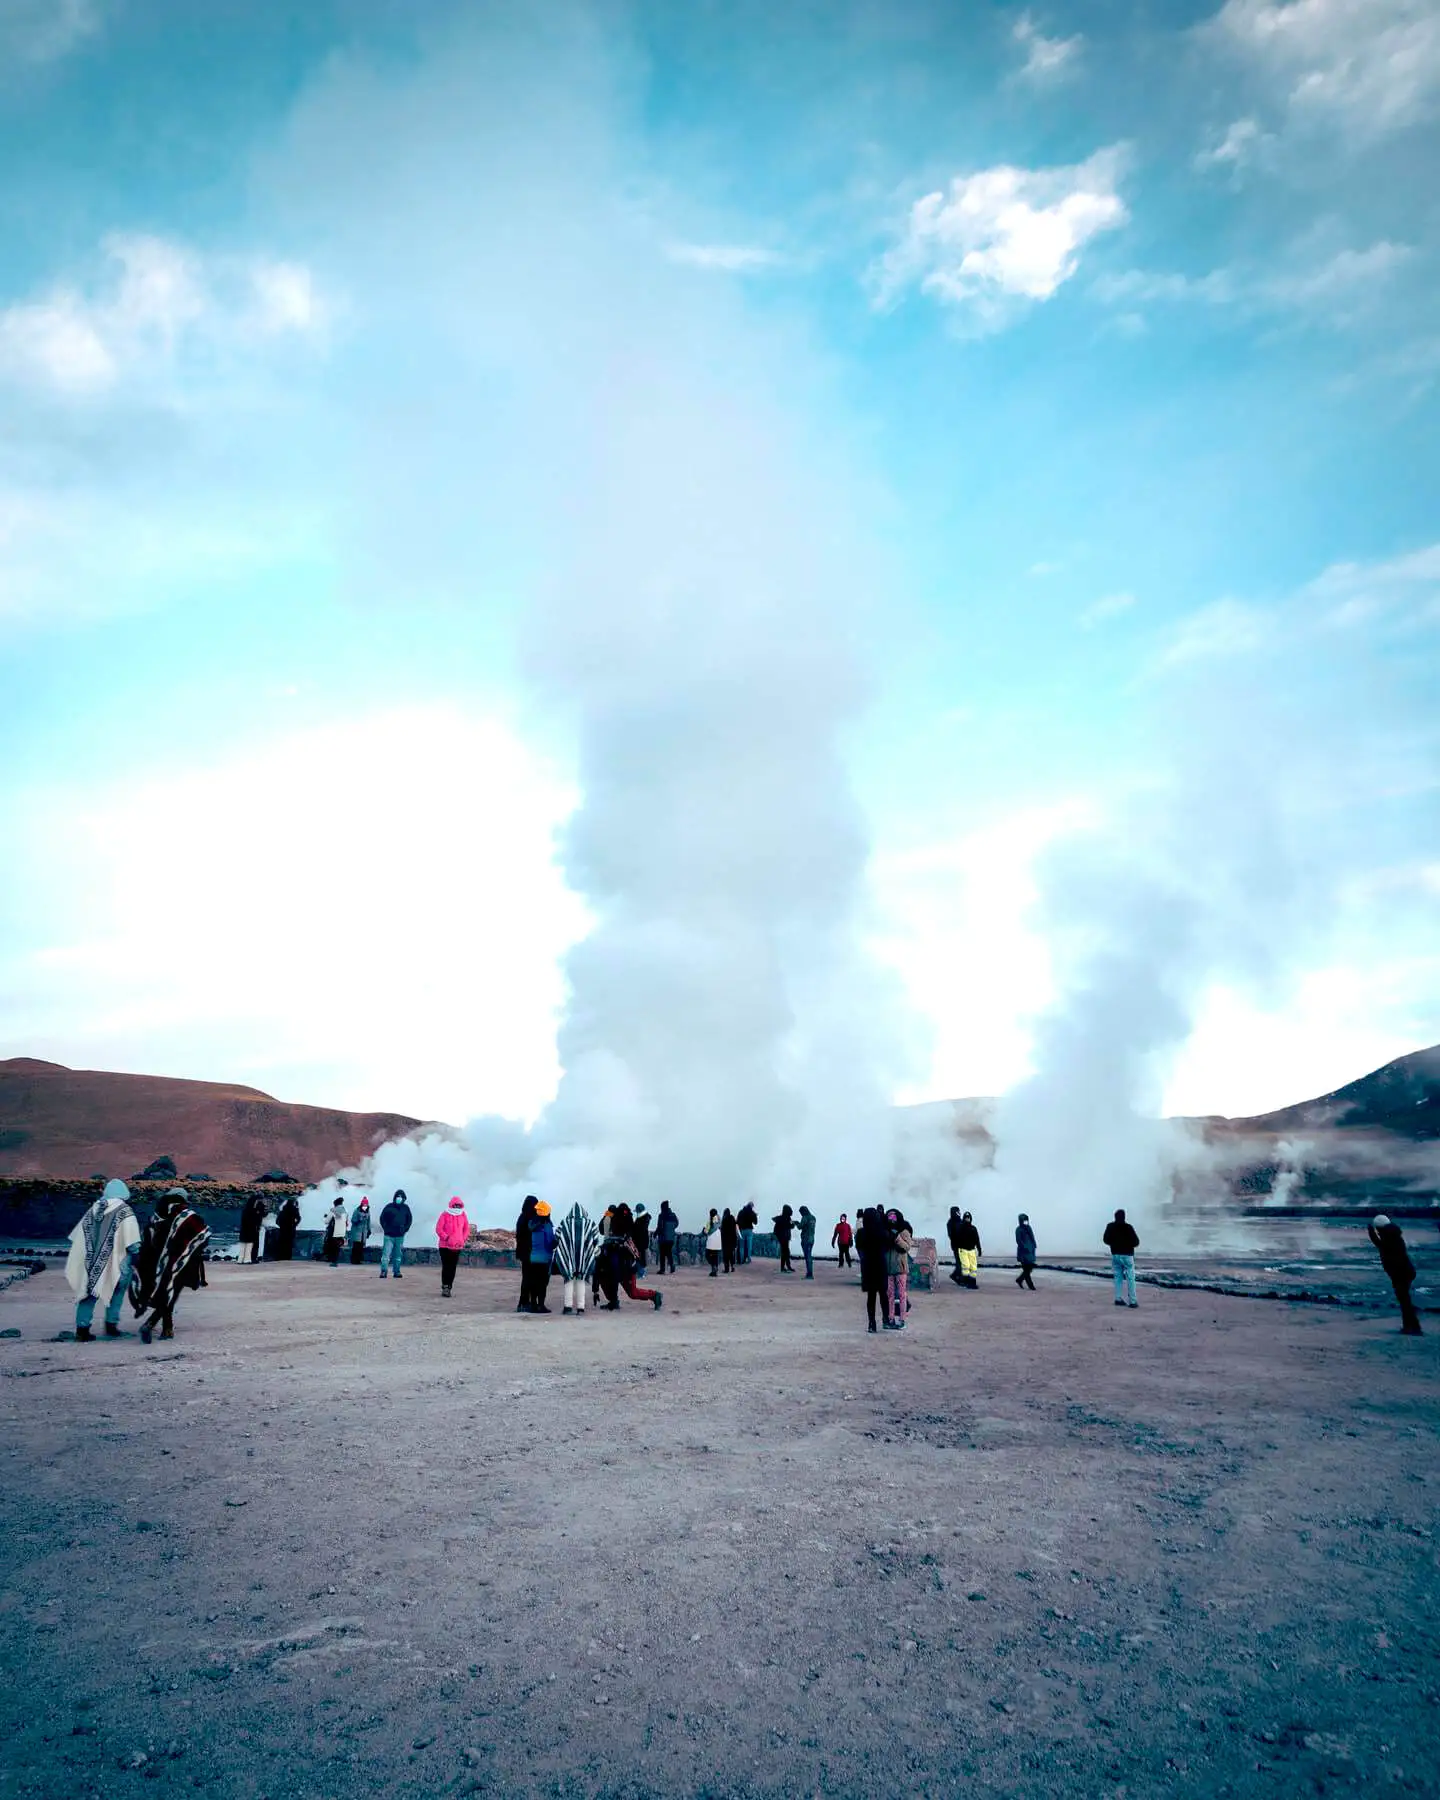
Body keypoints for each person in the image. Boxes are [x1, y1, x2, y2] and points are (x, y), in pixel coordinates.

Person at [130, 1187, 210, 1344]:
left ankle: (166, 1328)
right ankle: (155, 1325)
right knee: (170, 1295)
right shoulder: (187, 1216)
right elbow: (203, 1235)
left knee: (165, 1293)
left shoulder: (157, 1215)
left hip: (156, 1263)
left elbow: (148, 1238)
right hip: (181, 1263)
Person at [66, 1178, 141, 1341]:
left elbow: (80, 1237)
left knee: (88, 1294)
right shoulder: (125, 1211)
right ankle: (111, 1326)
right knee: (117, 1293)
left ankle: (82, 1329)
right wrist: (138, 1257)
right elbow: (133, 1241)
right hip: (118, 1262)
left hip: (92, 1263)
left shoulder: (93, 1209)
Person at [596, 1204, 663, 1311]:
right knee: (608, 1280)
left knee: (632, 1292)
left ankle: (654, 1295)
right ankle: (614, 1301)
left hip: (626, 1267)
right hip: (623, 1266)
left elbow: (601, 1230)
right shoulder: (616, 1242)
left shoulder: (627, 1241)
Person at [1368, 1215, 1423, 1335]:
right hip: (1402, 1273)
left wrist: (1372, 1233)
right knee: (1405, 1301)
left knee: (1405, 1302)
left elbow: (1384, 1248)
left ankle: (1413, 1327)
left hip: (1401, 1274)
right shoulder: (1392, 1236)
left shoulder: (1390, 1239)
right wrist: (1372, 1233)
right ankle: (1411, 1326)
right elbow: (1381, 1245)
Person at [554, 1203, 600, 1315]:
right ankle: (580, 1308)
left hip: (568, 1257)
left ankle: (567, 1307)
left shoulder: (564, 1223)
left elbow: (557, 1237)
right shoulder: (590, 1223)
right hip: (584, 1257)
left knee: (568, 1280)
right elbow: (596, 1239)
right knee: (581, 1280)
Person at [856, 1206, 889, 1334]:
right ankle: (886, 1319)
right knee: (883, 1294)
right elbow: (887, 1245)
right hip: (880, 1264)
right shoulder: (882, 1232)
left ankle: (871, 1323)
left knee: (871, 1296)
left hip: (868, 1265)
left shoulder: (861, 1233)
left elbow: (859, 1247)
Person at [1103, 1208, 1140, 1308]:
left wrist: (1114, 1244)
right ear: (1124, 1217)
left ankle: (1118, 1298)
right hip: (1127, 1255)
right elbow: (1136, 1242)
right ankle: (1132, 1301)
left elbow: (1105, 1240)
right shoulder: (1128, 1227)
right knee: (1130, 1278)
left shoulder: (1110, 1226)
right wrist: (1128, 1244)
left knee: (1118, 1278)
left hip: (1115, 1255)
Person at [885, 1209, 913, 1330]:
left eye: (894, 1217)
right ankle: (890, 1318)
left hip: (900, 1268)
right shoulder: (885, 1231)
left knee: (901, 1295)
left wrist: (897, 1238)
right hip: (888, 1268)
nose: (892, 1219)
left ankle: (902, 1319)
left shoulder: (904, 1230)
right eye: (889, 1217)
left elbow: (907, 1247)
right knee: (890, 1295)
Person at [436, 1196, 469, 1298]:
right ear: (451, 1205)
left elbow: (466, 1229)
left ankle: (449, 1286)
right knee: (446, 1266)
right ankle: (445, 1286)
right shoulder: (445, 1214)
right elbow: (439, 1229)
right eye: (455, 1205)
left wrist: (462, 1239)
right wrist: (447, 1238)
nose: (457, 1207)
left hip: (457, 1246)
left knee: (453, 1267)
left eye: (459, 1205)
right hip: (445, 1246)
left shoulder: (463, 1215)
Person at [527, 1201, 556, 1312]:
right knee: (543, 1283)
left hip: (533, 1258)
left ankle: (533, 1305)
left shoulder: (532, 1224)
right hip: (545, 1259)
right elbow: (550, 1242)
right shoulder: (547, 1225)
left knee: (534, 1282)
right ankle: (541, 1305)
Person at [378, 1189, 412, 1279]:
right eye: (398, 1196)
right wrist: (385, 1228)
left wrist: (405, 1229)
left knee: (398, 1255)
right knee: (386, 1255)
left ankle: (396, 1272)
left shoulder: (406, 1208)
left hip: (400, 1236)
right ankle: (383, 1271)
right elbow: (382, 1218)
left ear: (404, 1198)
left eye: (401, 1197)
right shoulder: (389, 1207)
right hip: (389, 1235)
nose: (399, 1198)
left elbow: (409, 1220)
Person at [514, 1195, 538, 1314]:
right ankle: (525, 1303)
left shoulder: (521, 1217)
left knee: (526, 1278)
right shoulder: (531, 1218)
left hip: (523, 1253)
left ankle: (523, 1302)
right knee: (530, 1278)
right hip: (530, 1253)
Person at [237, 1194, 268, 1266]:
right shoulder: (254, 1209)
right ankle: (248, 1259)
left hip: (246, 1229)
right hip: (252, 1229)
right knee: (250, 1244)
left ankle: (241, 1259)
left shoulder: (246, 1209)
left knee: (244, 1244)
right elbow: (260, 1216)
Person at [954, 1212, 982, 1289]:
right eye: (966, 1218)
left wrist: (979, 1249)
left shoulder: (973, 1228)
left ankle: (972, 1283)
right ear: (964, 1218)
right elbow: (956, 1239)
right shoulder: (960, 1228)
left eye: (968, 1218)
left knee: (973, 1267)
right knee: (966, 1266)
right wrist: (957, 1248)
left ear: (970, 1219)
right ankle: (965, 1282)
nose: (967, 1219)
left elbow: (977, 1239)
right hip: (963, 1250)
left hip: (971, 1250)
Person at [273, 1193, 302, 1261]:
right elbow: (299, 1218)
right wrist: (295, 1224)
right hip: (291, 1228)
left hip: (283, 1229)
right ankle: (287, 1256)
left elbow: (277, 1221)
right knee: (289, 1243)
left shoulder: (283, 1210)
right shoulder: (294, 1210)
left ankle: (280, 1256)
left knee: (281, 1243)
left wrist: (281, 1225)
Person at [322, 1196, 348, 1266]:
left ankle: (333, 1261)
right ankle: (335, 1260)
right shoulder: (345, 1211)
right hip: (342, 1230)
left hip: (334, 1231)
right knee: (337, 1246)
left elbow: (327, 1221)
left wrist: (326, 1217)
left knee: (332, 1245)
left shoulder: (333, 1210)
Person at [655, 1200, 679, 1275]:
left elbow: (659, 1226)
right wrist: (671, 1230)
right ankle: (672, 1266)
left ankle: (662, 1269)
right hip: (671, 1237)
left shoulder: (661, 1215)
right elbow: (676, 1224)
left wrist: (656, 1233)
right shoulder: (673, 1215)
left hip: (663, 1237)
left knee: (662, 1253)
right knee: (669, 1252)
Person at [1015, 1213, 1038, 1291]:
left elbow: (1032, 1237)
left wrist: (1034, 1245)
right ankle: (1031, 1286)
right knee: (1026, 1269)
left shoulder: (1029, 1228)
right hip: (1023, 1253)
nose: (1026, 1222)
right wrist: (1025, 1248)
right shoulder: (1018, 1230)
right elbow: (1018, 1241)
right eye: (1024, 1220)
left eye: (1026, 1220)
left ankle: (1019, 1280)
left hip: (1030, 1252)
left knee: (1030, 1268)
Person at [347, 1197, 372, 1266]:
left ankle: (358, 1260)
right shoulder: (357, 1211)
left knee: (361, 1246)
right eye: (364, 1205)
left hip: (364, 1232)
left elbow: (368, 1222)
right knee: (356, 1246)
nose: (365, 1206)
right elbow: (353, 1220)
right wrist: (359, 1219)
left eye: (366, 1205)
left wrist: (369, 1230)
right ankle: (354, 1260)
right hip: (357, 1231)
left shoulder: (368, 1212)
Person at [773, 1205, 796, 1273]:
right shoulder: (787, 1218)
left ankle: (784, 1267)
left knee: (784, 1252)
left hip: (781, 1238)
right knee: (786, 1252)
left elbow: (776, 1229)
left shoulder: (780, 1218)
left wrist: (777, 1236)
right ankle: (786, 1267)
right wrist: (794, 1224)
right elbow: (791, 1226)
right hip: (785, 1238)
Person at [631, 1206, 652, 1277]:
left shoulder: (641, 1219)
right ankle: (641, 1271)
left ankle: (641, 1272)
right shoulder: (645, 1218)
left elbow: (638, 1229)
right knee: (641, 1255)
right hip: (643, 1239)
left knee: (639, 1256)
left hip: (640, 1240)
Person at [798, 1205, 818, 1279]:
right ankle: (809, 1273)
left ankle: (809, 1274)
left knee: (808, 1257)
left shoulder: (805, 1217)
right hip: (812, 1239)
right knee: (809, 1256)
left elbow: (800, 1227)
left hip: (805, 1239)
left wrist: (796, 1223)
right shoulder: (813, 1217)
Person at [736, 1201, 757, 1265]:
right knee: (749, 1246)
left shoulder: (741, 1212)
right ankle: (748, 1259)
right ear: (751, 1206)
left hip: (742, 1230)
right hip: (749, 1230)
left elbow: (737, 1221)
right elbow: (755, 1222)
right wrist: (755, 1216)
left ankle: (741, 1260)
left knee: (741, 1246)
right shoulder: (752, 1212)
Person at [720, 1206, 739, 1274]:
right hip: (732, 1240)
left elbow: (723, 1231)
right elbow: (734, 1229)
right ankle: (732, 1267)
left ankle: (726, 1269)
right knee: (731, 1254)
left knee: (726, 1255)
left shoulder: (724, 1220)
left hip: (725, 1240)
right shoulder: (732, 1218)